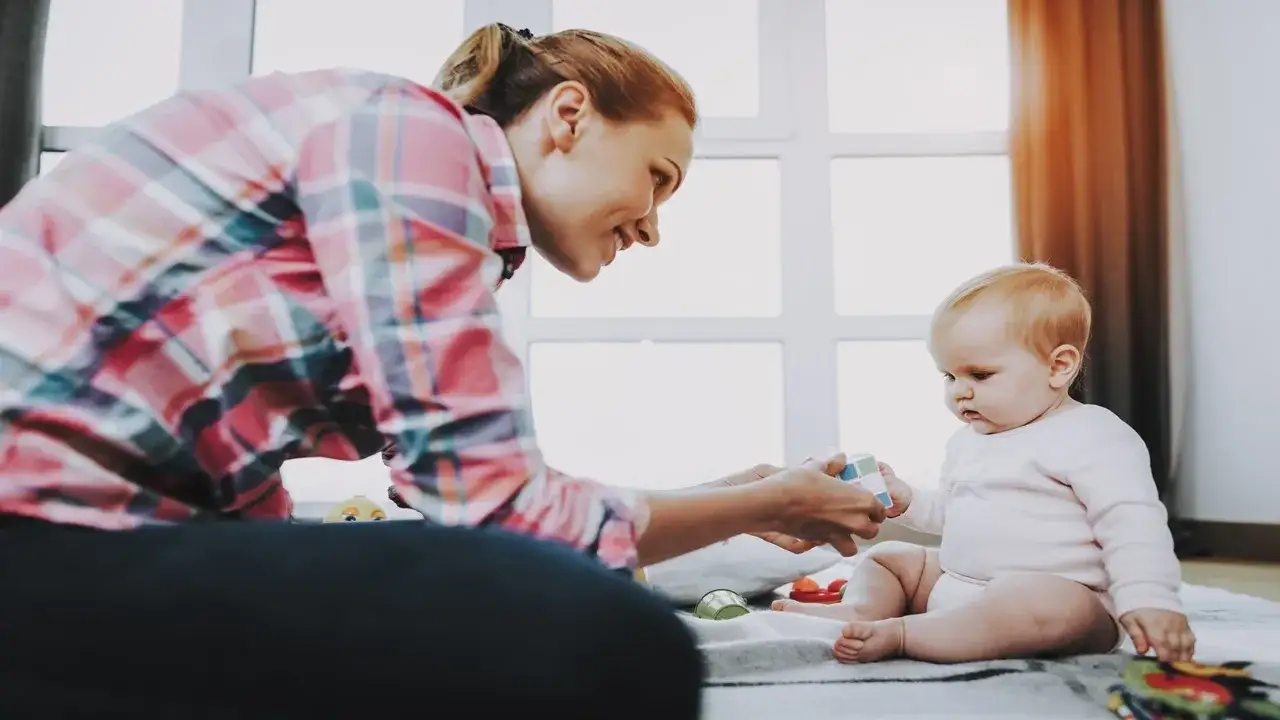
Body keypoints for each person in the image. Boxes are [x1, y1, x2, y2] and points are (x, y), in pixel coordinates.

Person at [0, 22, 890, 718]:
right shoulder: (413, 136)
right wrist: (768, 504)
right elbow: (496, 509)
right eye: (658, 178)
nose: (654, 225)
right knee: (617, 641)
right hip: (36, 529)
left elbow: (463, 498)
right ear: (569, 114)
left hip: (95, 533)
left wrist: (730, 497)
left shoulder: (409, 182)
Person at [773, 263, 1196, 665]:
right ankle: (862, 611)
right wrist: (909, 502)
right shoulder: (969, 440)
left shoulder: (1093, 435)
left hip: (1060, 602)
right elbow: (957, 514)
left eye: (980, 375)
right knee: (890, 556)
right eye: (949, 377)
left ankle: (905, 635)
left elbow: (1131, 522)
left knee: (1042, 598)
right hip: (958, 587)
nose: (960, 393)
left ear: (1059, 366)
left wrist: (1149, 597)